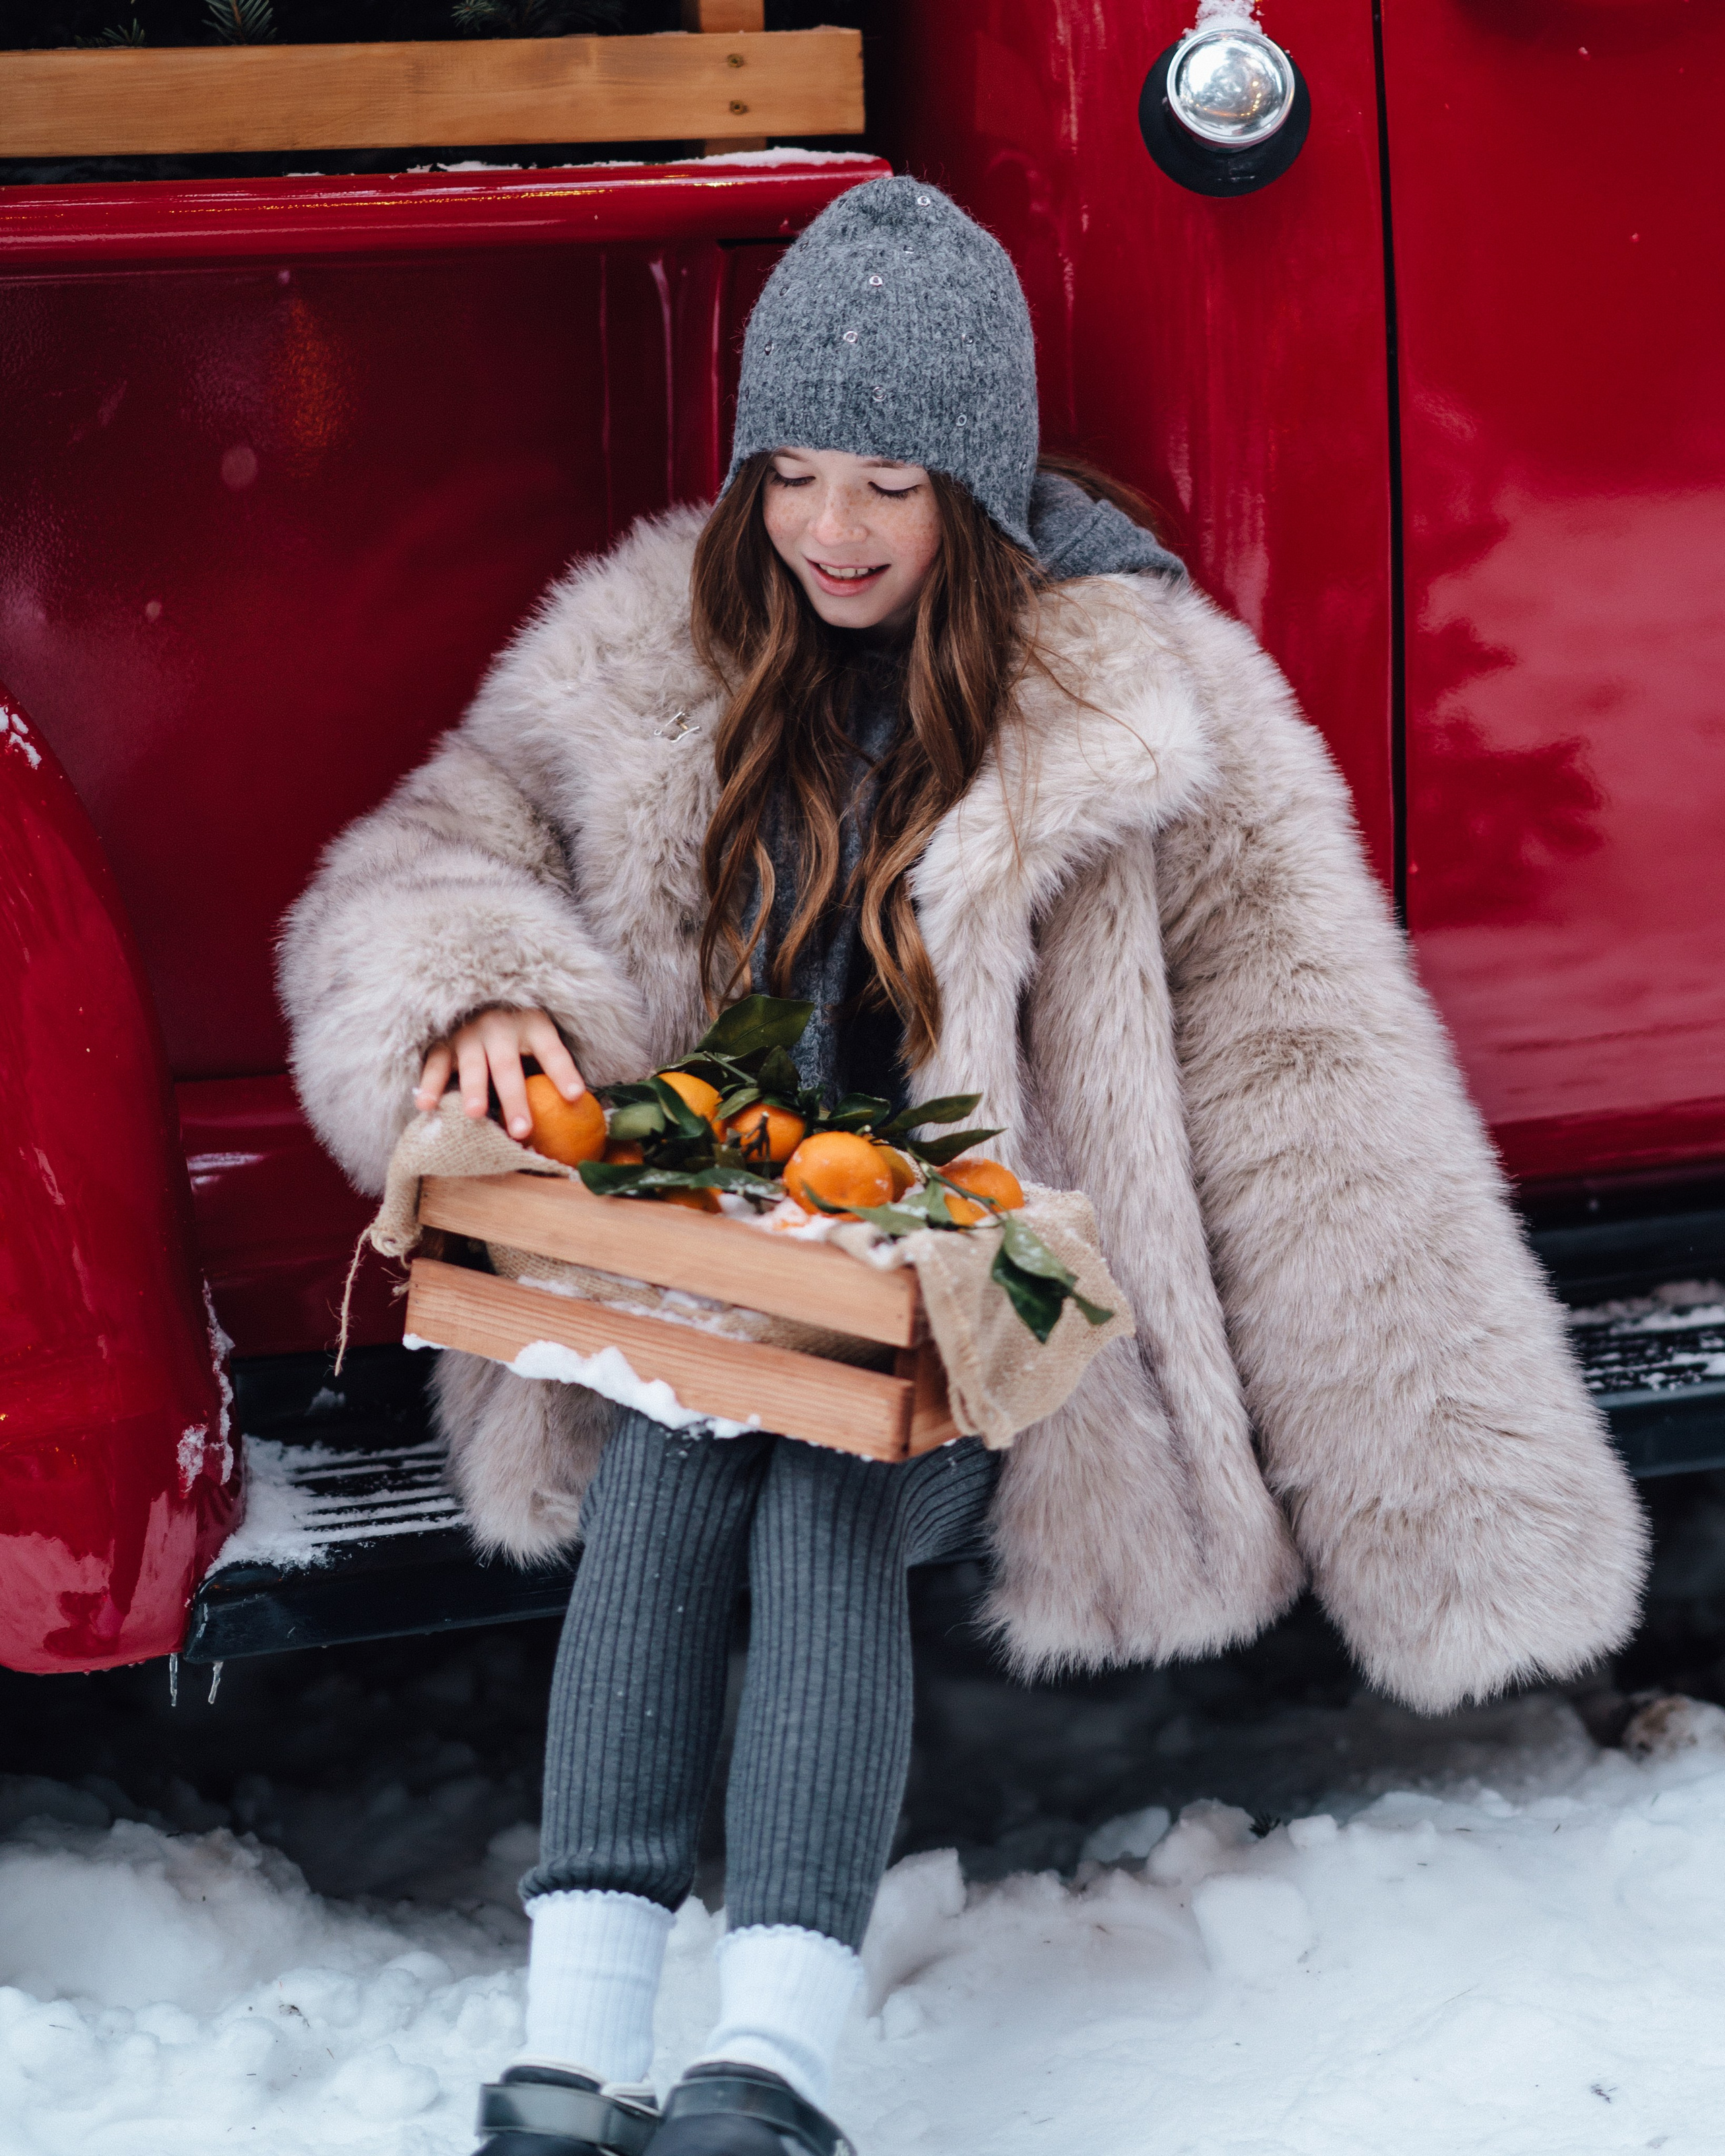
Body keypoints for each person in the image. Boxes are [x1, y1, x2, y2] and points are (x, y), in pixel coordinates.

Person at [280, 178, 1647, 2156]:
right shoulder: (649, 649)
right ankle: (567, 2064)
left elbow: (1313, 1091)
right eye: (800, 475)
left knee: (833, 1462)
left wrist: (1455, 1509)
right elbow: (431, 850)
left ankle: (773, 2063)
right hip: (737, 1267)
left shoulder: (1147, 716)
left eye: (892, 486)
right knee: (676, 1451)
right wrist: (475, 995)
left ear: (979, 493)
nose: (833, 532)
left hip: (996, 1320)